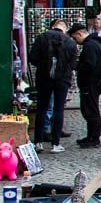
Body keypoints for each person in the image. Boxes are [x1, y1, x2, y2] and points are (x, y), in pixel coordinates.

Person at [28, 18, 75, 153]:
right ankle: (55, 143)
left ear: (52, 26)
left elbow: (33, 57)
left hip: (43, 78)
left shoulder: (41, 38)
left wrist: (43, 67)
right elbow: (73, 63)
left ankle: (38, 142)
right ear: (64, 28)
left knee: (41, 108)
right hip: (62, 79)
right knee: (59, 109)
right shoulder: (70, 42)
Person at [70, 23, 101, 148]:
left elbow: (89, 65)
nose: (75, 41)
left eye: (75, 38)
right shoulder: (94, 43)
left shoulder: (89, 45)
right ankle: (91, 136)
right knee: (90, 109)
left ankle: (94, 138)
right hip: (93, 83)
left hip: (90, 83)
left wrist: (76, 65)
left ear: (79, 34)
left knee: (90, 110)